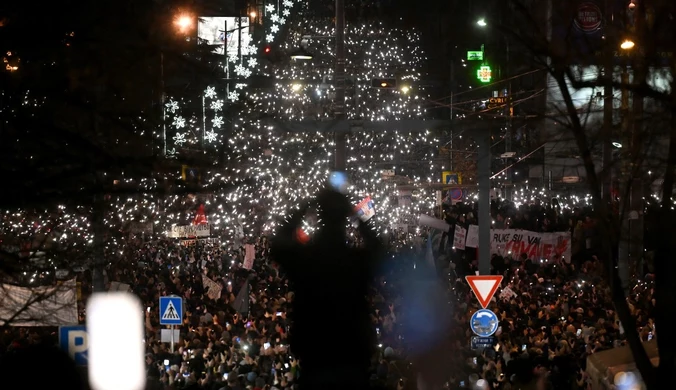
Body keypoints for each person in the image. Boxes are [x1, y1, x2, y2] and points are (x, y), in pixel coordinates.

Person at [271, 188, 383, 390]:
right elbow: (379, 248)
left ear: (320, 216)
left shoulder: (306, 261)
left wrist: (305, 208)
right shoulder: (355, 261)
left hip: (315, 355)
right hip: (351, 355)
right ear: (344, 219)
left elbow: (278, 244)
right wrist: (354, 215)